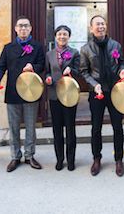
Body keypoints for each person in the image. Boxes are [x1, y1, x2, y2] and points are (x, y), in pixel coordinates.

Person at [0, 16, 45, 172]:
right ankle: (15, 156)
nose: (23, 28)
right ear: (15, 29)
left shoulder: (37, 46)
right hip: (13, 92)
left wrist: (33, 66)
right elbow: (1, 66)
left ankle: (29, 155)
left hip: (31, 91)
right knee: (14, 127)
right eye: (20, 26)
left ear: (30, 28)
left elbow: (42, 65)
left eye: (26, 26)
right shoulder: (8, 48)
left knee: (30, 126)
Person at [80, 15, 124, 177]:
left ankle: (119, 159)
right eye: (97, 24)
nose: (100, 26)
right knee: (96, 128)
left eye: (102, 24)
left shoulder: (115, 45)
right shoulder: (86, 49)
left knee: (117, 127)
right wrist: (94, 85)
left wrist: (123, 70)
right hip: (97, 92)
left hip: (115, 90)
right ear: (91, 28)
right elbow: (84, 71)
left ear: (105, 26)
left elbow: (122, 62)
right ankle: (97, 158)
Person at [45, 25, 80, 171]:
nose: (62, 37)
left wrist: (71, 69)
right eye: (59, 34)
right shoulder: (49, 54)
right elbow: (47, 72)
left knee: (70, 128)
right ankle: (60, 159)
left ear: (69, 37)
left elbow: (79, 71)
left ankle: (71, 160)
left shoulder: (74, 52)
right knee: (57, 129)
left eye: (65, 34)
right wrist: (47, 78)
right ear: (55, 36)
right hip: (54, 94)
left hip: (70, 94)